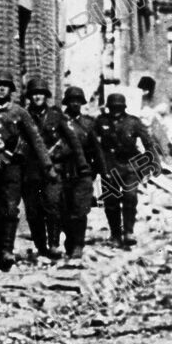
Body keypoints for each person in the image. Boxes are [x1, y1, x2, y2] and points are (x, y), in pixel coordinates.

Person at [0, 70, 54, 271]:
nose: (1, 89)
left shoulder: (19, 113)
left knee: (9, 208)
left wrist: (47, 166)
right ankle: (0, 250)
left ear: (11, 90)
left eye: (5, 86)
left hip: (12, 169)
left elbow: (36, 140)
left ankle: (7, 251)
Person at [21, 77, 87, 260]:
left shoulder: (56, 116)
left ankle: (54, 244)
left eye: (40, 94)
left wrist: (79, 163)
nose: (37, 97)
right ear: (29, 97)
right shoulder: (23, 116)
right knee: (33, 212)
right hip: (31, 171)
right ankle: (41, 246)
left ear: (46, 96)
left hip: (53, 171)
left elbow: (72, 142)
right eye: (34, 94)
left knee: (52, 206)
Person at [92, 93, 158, 247]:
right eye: (113, 108)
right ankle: (115, 234)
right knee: (111, 201)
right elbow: (94, 144)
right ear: (108, 108)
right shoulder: (101, 122)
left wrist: (153, 162)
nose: (116, 110)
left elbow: (148, 142)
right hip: (109, 166)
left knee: (130, 196)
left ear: (123, 108)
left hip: (130, 166)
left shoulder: (133, 122)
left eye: (119, 108)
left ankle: (128, 231)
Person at [59, 86, 98, 258]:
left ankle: (78, 244)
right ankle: (69, 241)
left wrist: (96, 171)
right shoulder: (59, 121)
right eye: (71, 101)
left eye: (77, 101)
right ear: (66, 102)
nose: (74, 104)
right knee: (64, 210)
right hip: (63, 169)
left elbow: (96, 150)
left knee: (80, 209)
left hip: (83, 171)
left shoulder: (89, 123)